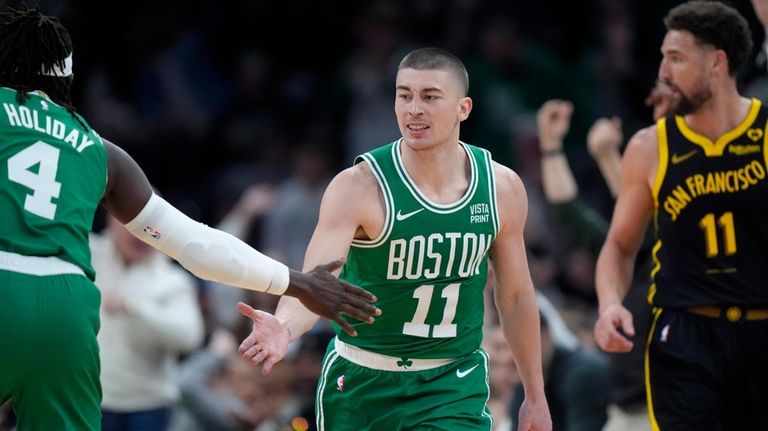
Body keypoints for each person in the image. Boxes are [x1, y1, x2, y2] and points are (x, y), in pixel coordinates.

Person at [0, 7, 379, 431]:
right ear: (66, 80)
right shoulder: (99, 150)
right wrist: (300, 281)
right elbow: (194, 245)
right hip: (65, 307)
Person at [237, 47, 552, 430]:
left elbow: (516, 294)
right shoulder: (358, 187)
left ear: (463, 108)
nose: (413, 108)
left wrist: (535, 395)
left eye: (430, 96)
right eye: (404, 95)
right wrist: (284, 328)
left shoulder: (500, 188)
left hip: (451, 384)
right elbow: (317, 282)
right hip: (362, 380)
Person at [593, 2, 768, 430]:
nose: (664, 72)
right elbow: (619, 245)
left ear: (716, 62)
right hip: (684, 337)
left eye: (676, 58)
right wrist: (610, 302)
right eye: (662, 58)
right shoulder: (650, 147)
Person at [536, 81, 678, 431]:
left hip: (673, 403)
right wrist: (551, 145)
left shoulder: (675, 240)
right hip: (626, 407)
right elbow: (570, 215)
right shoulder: (623, 253)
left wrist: (607, 156)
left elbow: (648, 216)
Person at [91, 216, 205, 431]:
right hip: (91, 398)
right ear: (113, 221)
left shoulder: (173, 280)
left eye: (153, 227)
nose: (143, 234)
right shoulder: (89, 253)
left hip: (147, 406)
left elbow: (190, 336)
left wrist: (134, 308)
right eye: (135, 223)